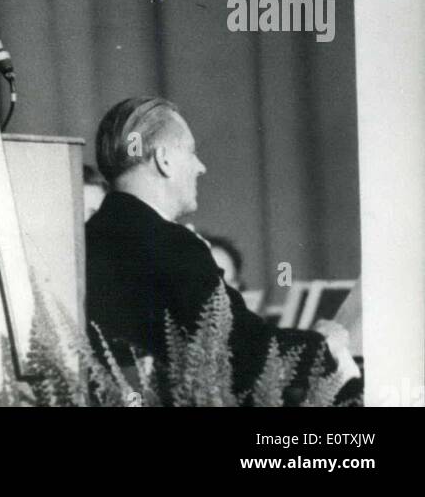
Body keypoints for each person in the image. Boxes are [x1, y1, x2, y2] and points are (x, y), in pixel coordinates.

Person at [85, 96, 358, 401]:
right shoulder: (174, 244)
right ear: (164, 160)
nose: (200, 167)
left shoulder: (87, 237)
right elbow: (241, 356)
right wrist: (324, 345)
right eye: (191, 152)